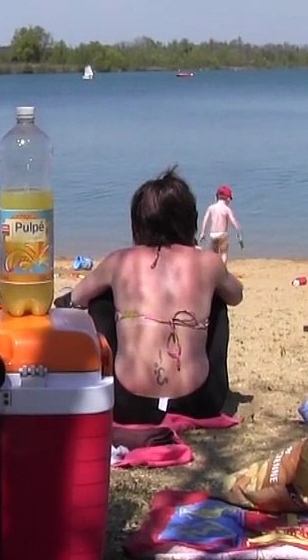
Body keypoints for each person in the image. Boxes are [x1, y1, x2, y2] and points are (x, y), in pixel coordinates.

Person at [58, 167, 243, 432]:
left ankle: (113, 374)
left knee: (102, 299)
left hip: (126, 403)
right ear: (189, 220)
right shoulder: (208, 262)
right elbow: (236, 295)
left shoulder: (119, 261)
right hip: (201, 401)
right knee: (218, 301)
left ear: (139, 222)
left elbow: (75, 299)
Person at [199, 184, 243, 264]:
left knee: (214, 253)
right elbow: (233, 221)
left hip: (213, 234)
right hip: (223, 234)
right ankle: (223, 269)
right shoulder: (227, 209)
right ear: (227, 198)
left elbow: (205, 220)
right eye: (230, 199)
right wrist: (239, 234)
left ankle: (215, 269)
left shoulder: (211, 208)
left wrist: (203, 233)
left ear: (217, 197)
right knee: (224, 253)